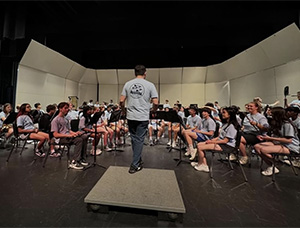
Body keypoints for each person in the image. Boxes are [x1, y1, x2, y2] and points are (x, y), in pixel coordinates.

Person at [120, 65, 158, 174]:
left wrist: (123, 110)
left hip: (131, 116)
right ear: (145, 73)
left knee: (134, 139)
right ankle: (135, 165)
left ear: (135, 73)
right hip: (143, 116)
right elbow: (155, 102)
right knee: (139, 140)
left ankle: (138, 159)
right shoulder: (150, 85)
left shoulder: (128, 84)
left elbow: (122, 101)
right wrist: (153, 111)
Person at [191, 107, 240, 172]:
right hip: (221, 143)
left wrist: (212, 142)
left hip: (227, 146)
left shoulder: (232, 126)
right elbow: (220, 137)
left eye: (224, 113)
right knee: (199, 144)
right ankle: (202, 163)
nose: (222, 114)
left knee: (200, 147)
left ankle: (203, 165)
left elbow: (225, 141)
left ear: (230, 114)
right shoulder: (226, 124)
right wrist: (211, 141)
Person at [254, 107, 299, 176]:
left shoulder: (287, 125)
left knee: (264, 150)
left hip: (291, 146)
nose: (270, 115)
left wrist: (271, 138)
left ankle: (276, 163)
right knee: (257, 146)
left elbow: (289, 140)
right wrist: (264, 137)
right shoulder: (277, 123)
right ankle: (272, 165)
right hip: (280, 143)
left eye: (272, 114)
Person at [51, 102, 89, 170]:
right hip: (61, 138)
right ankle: (74, 161)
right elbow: (55, 135)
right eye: (65, 108)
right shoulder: (55, 120)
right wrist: (68, 135)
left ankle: (82, 158)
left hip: (67, 136)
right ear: (60, 109)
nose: (67, 109)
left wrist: (74, 133)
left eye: (67, 108)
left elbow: (68, 130)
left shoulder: (65, 119)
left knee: (84, 136)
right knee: (79, 140)